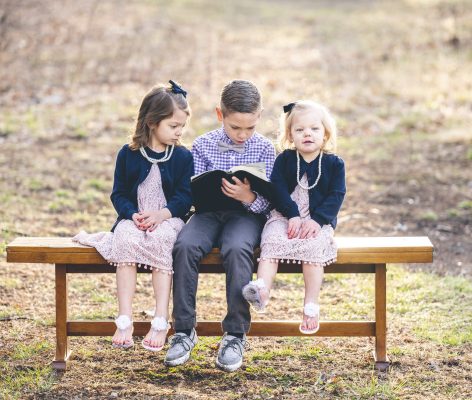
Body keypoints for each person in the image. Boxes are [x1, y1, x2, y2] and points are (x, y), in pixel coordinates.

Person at [73, 81, 194, 352]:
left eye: (181, 127)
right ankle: (124, 318)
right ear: (152, 122)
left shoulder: (183, 156)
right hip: (134, 217)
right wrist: (132, 214)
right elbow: (118, 194)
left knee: (162, 240)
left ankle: (160, 319)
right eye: (173, 126)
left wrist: (162, 215)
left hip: (168, 218)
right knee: (125, 238)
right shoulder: (128, 154)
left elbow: (186, 197)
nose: (179, 132)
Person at [165, 80, 276, 372]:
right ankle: (183, 329)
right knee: (185, 245)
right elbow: (193, 193)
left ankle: (235, 334)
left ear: (259, 116)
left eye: (249, 128)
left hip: (246, 215)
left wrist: (249, 196)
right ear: (220, 114)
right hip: (208, 213)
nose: (242, 135)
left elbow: (270, 203)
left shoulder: (265, 149)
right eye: (235, 127)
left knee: (238, 248)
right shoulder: (202, 144)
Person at [242, 100, 346, 335]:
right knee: (272, 238)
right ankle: (262, 288)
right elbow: (277, 190)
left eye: (314, 129)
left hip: (317, 221)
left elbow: (336, 195)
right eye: (300, 130)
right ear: (290, 135)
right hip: (284, 216)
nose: (307, 134)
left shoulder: (334, 163)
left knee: (313, 246)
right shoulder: (285, 160)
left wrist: (316, 221)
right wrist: (292, 215)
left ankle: (311, 304)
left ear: (325, 133)